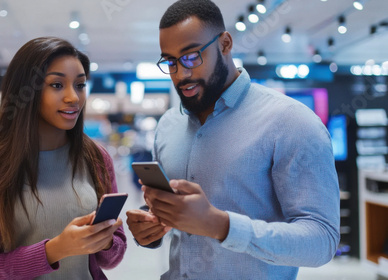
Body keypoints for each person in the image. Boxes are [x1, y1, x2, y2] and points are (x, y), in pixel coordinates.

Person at [125, 0, 340, 279]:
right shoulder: (169, 125)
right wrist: (151, 226)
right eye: (170, 61)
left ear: (225, 44)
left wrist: (222, 226)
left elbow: (322, 240)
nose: (181, 74)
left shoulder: (291, 122)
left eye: (191, 57)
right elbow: (179, 222)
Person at [0, 37, 126, 280]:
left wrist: (104, 242)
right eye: (57, 85)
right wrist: (57, 249)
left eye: (80, 85)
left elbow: (112, 256)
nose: (74, 97)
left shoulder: (96, 157)